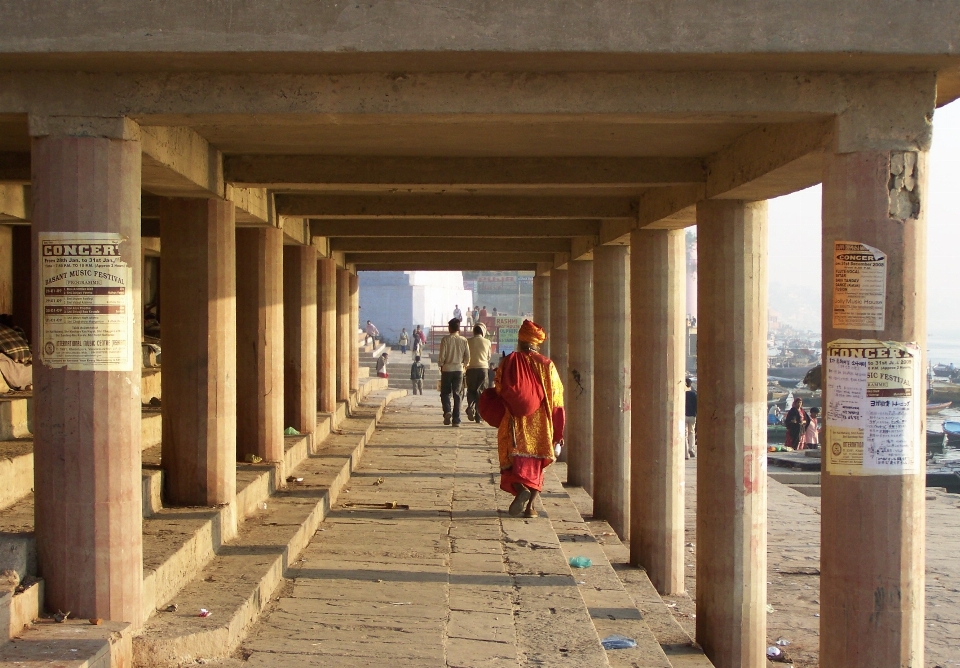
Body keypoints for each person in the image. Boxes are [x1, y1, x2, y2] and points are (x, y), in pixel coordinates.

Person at [495, 320, 564, 518]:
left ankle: (519, 487)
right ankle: (530, 508)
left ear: (520, 340)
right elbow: (557, 398)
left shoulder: (509, 361)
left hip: (515, 420)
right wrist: (558, 431)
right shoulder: (547, 365)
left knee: (514, 460)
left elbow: (499, 387)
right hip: (541, 422)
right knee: (536, 465)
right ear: (536, 343)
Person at [437, 318, 470, 426]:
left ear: (450, 328)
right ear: (458, 328)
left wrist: (441, 365)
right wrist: (464, 365)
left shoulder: (445, 339)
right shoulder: (464, 340)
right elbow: (467, 357)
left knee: (445, 393)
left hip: (447, 369)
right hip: (459, 370)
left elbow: (442, 356)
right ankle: (456, 420)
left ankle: (447, 411)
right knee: (458, 394)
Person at [465, 323, 491, 423]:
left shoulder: (468, 341)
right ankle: (479, 416)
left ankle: (470, 407)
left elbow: (465, 356)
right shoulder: (487, 342)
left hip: (470, 369)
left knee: (471, 390)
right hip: (483, 369)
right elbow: (488, 357)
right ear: (483, 331)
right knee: (481, 392)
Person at [685, 378, 697, 459]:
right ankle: (691, 449)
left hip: (684, 416)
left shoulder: (683, 394)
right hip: (692, 416)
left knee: (684, 434)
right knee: (691, 432)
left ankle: (686, 453)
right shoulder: (694, 394)